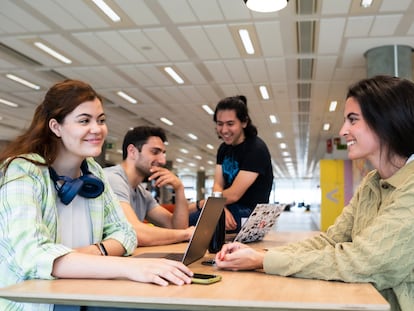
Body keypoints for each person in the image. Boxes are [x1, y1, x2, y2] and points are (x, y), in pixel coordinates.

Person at [215, 75, 414, 311]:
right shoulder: (372, 182)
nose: (343, 131)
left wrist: (262, 260)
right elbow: (331, 240)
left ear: (386, 121)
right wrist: (262, 254)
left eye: (353, 120)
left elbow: (363, 261)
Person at [0, 80, 193, 311]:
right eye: (84, 121)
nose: (97, 129)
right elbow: (32, 256)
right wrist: (129, 268)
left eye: (101, 120)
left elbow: (126, 234)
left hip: (84, 292)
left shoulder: (93, 171)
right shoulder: (22, 171)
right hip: (37, 302)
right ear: (56, 127)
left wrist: (93, 252)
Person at [190, 95, 273, 233]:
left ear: (244, 122)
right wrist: (219, 207)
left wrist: (207, 204)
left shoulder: (256, 148)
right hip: (229, 206)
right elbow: (218, 185)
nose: (224, 130)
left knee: (192, 220)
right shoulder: (223, 149)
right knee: (190, 217)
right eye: (219, 123)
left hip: (251, 215)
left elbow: (234, 194)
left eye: (230, 124)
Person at [104, 126, 194, 246]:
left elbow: (176, 227)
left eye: (163, 154)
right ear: (132, 151)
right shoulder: (113, 179)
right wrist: (186, 234)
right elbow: (134, 232)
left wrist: (179, 188)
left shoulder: (141, 192)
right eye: (155, 152)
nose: (162, 161)